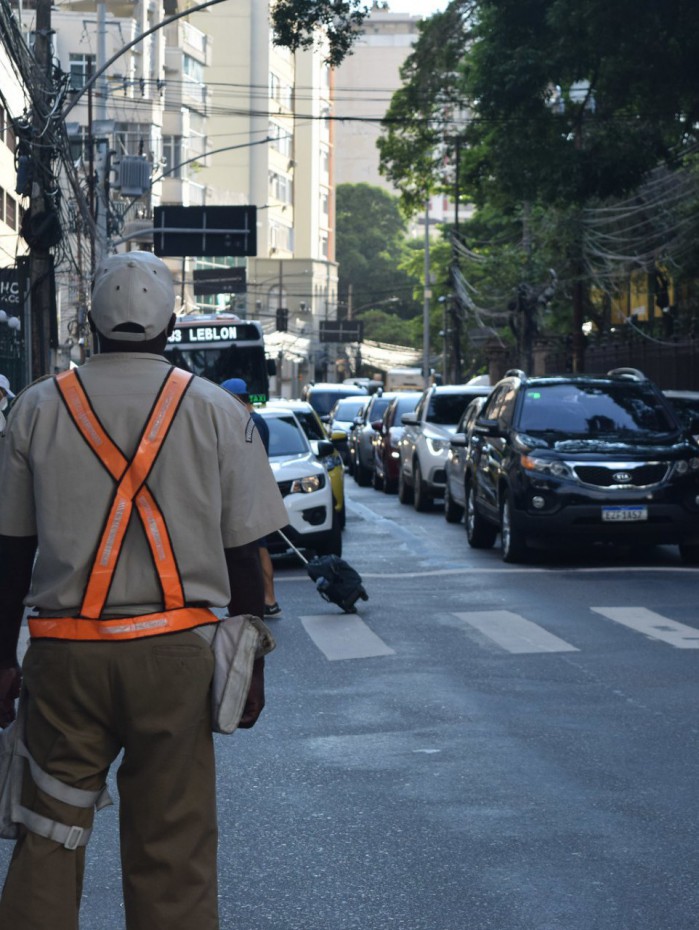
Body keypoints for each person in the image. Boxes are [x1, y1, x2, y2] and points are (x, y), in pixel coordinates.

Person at [0, 251, 288, 929]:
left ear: (92, 324)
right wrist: (249, 667)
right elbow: (246, 555)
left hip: (65, 658)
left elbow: (10, 553)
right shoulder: (217, 410)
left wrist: (2, 661)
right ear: (170, 327)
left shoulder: (38, 408)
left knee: (49, 831)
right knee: (172, 847)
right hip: (175, 658)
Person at [221, 377, 282, 618]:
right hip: (252, 491)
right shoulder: (254, 421)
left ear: (236, 399)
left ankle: (269, 597)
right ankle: (267, 598)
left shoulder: (250, 422)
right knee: (258, 547)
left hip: (250, 494)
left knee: (259, 548)